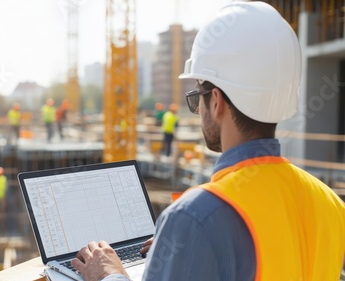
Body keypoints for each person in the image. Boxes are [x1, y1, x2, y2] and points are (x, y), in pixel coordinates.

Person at [71, 2, 345, 281]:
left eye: (196, 97)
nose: (198, 109)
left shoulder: (194, 216)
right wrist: (188, 250)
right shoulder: (331, 204)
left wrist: (108, 275)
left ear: (216, 101)